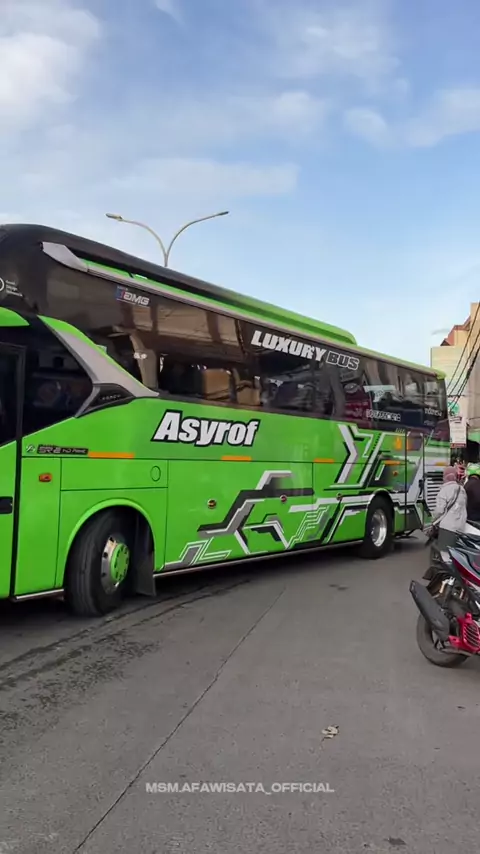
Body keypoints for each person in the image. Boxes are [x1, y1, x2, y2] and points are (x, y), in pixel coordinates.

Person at [430, 465, 467, 552]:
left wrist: (433, 520)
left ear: (445, 476)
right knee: (456, 552)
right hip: (460, 527)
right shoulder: (462, 489)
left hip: (447, 528)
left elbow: (439, 511)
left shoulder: (444, 490)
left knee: (445, 552)